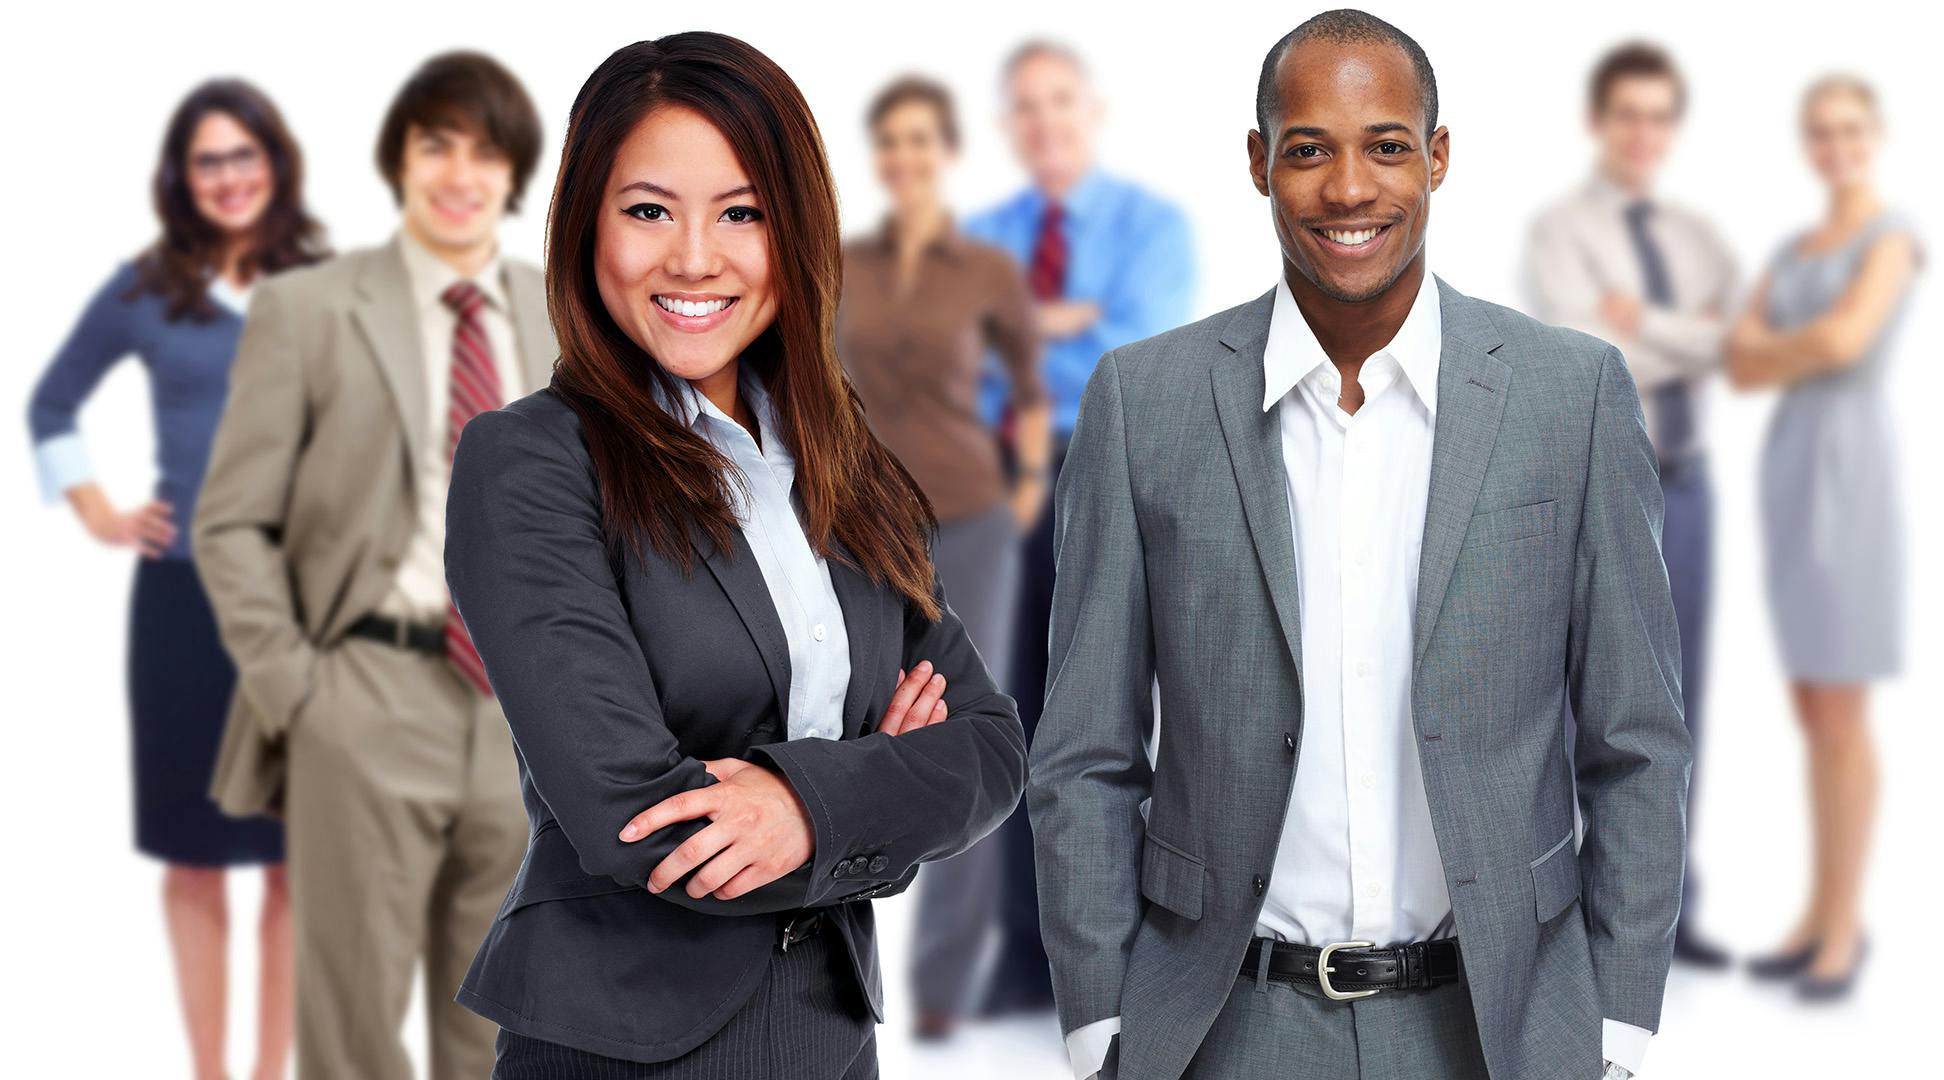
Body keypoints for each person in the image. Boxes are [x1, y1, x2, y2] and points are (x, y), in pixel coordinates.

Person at [1028, 11, 1689, 1080]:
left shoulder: (1571, 397)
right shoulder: (1142, 403)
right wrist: (1102, 1020)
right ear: (1258, 163)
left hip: (1504, 1029)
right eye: (1308, 149)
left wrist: (1613, 1024)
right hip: (1220, 1027)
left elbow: (1638, 740)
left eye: (1386, 145)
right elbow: (1085, 752)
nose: (1348, 189)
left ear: (1437, 157)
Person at [442, 33, 1028, 1079]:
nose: (696, 258)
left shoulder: (850, 465)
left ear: (794, 232)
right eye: (649, 209)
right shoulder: (530, 462)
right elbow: (637, 820)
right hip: (624, 1051)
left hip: (832, 1034)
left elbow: (989, 749)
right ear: (587, 228)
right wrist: (876, 787)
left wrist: (800, 807)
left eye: (743, 212)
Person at [193, 51, 551, 1079]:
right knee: (350, 1029)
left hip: (525, 713)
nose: (459, 173)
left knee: (501, 1030)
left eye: (485, 152)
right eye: (435, 144)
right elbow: (231, 523)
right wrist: (297, 691)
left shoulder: (561, 312)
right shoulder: (307, 310)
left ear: (512, 173)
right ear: (399, 157)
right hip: (364, 694)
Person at [26, 78, 324, 1080]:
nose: (229, 177)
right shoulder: (147, 289)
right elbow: (51, 405)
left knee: (295, 859)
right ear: (182, 176)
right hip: (183, 601)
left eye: (245, 155)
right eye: (209, 160)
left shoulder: (323, 281)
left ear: (274, 164)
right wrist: (101, 514)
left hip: (297, 607)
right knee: (195, 853)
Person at [964, 37, 1196, 1015]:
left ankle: (1157, 953)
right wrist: (1054, 325)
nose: (1045, 121)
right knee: (1021, 724)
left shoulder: (1154, 226)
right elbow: (955, 372)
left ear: (1092, 110)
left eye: (1061, 100)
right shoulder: (976, 239)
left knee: (1151, 720)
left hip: (1127, 478)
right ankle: (1029, 954)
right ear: (1009, 126)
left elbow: (1130, 357)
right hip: (1008, 486)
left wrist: (1023, 330)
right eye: (1025, 107)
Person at [836, 74, 1049, 1041]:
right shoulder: (839, 263)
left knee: (967, 732)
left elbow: (1031, 388)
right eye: (891, 142)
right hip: (855, 524)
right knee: (843, 724)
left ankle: (941, 980)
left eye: (922, 141)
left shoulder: (986, 269)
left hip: (968, 517)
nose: (906, 158)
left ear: (946, 152)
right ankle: (831, 947)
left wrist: (1026, 487)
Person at [1521, 40, 1736, 968]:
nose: (1644, 133)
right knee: (1593, 700)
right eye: (1628, 115)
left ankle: (1665, 910)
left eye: (1659, 116)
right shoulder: (1561, 231)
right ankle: (1576, 914)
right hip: (1600, 487)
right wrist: (1678, 337)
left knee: (1683, 699)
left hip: (1689, 483)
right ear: (1599, 122)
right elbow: (1585, 354)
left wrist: (1645, 321)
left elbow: (1731, 341)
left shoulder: (1695, 235)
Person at [1726, 73, 1921, 1003]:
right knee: (1810, 706)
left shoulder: (1893, 237)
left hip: (1853, 471)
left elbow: (1845, 345)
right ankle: (1818, 907)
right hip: (1792, 468)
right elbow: (1741, 360)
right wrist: (1793, 346)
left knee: (1842, 709)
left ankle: (1843, 927)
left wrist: (1786, 345)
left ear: (1873, 135)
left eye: (1850, 129)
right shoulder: (1797, 244)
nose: (1836, 145)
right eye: (1820, 132)